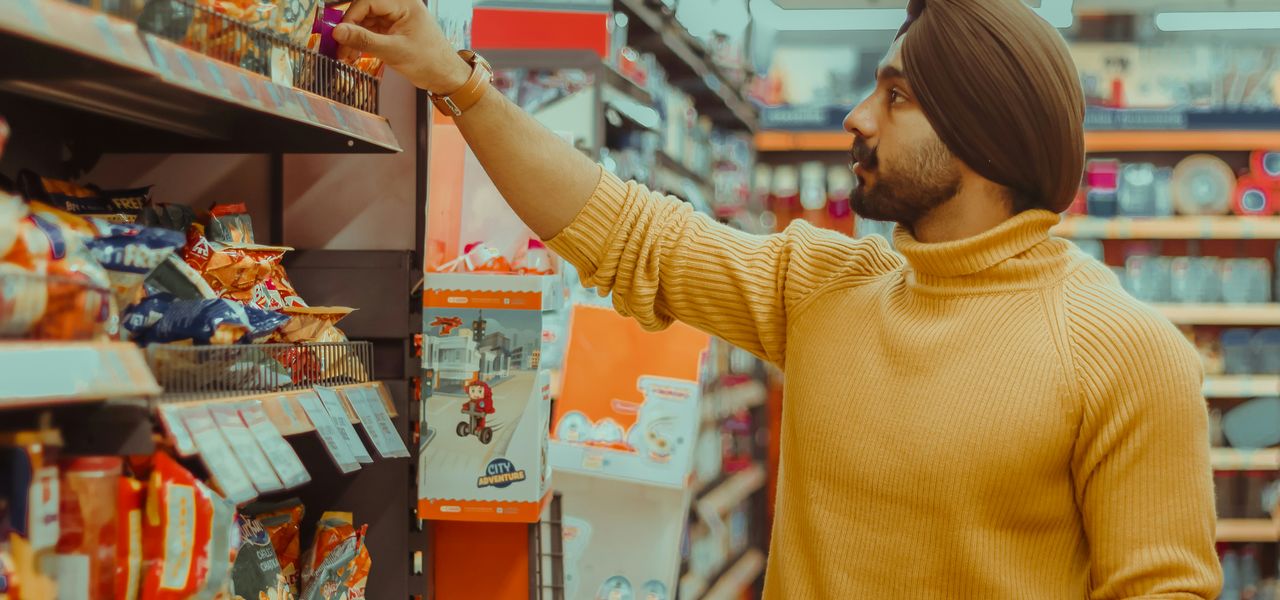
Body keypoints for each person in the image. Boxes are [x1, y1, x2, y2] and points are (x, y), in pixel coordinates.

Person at [333, 0, 1222, 596]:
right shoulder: (825, 286)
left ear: (982, 133)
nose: (857, 118)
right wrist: (460, 82)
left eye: (897, 97)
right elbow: (622, 228)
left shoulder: (1127, 354)